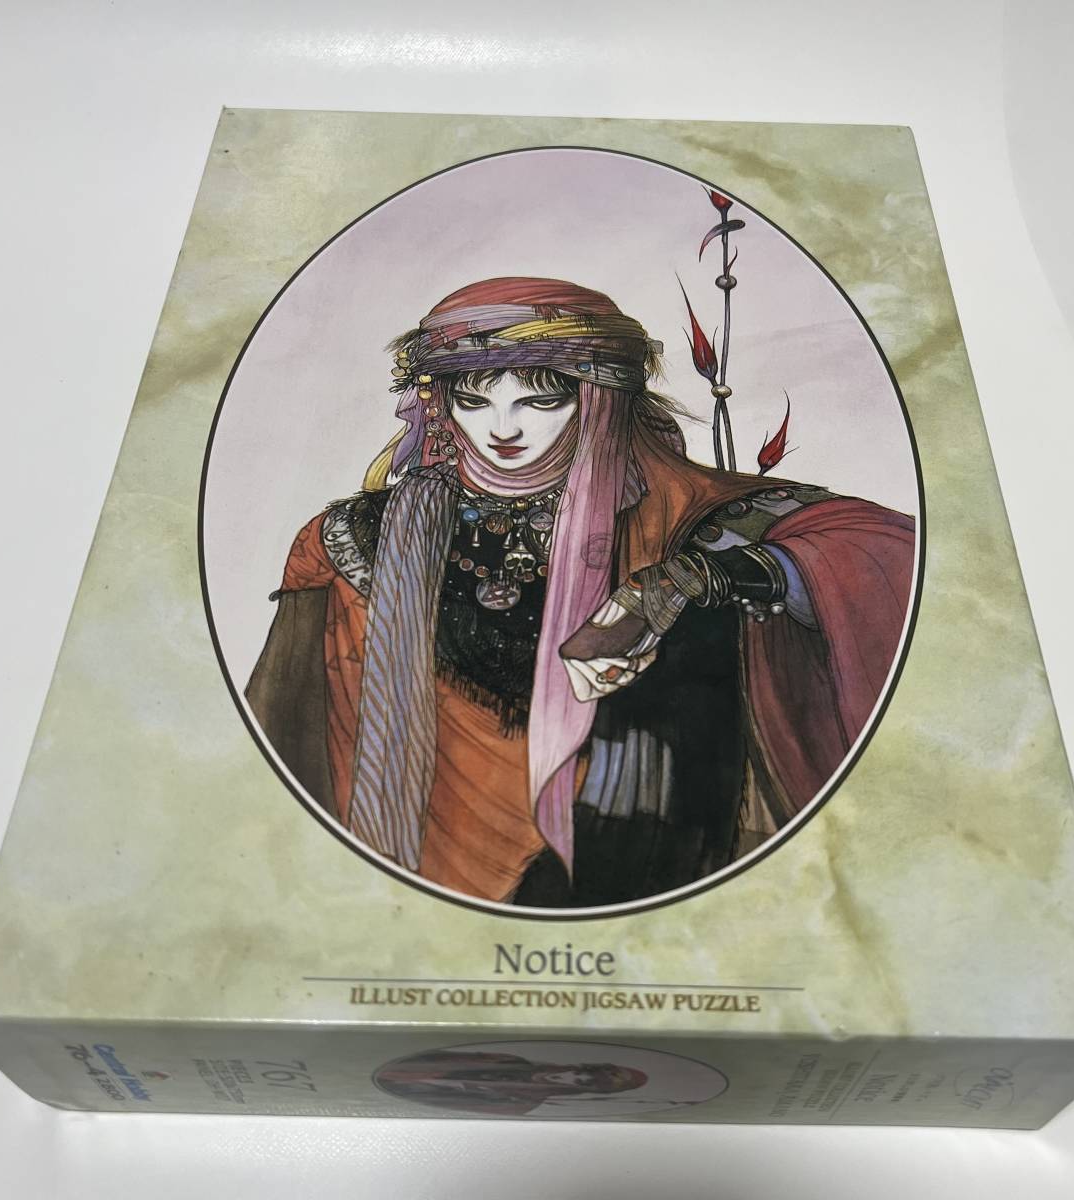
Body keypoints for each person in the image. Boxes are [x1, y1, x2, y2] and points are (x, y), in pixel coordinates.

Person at [246, 277, 915, 907]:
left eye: (541, 400)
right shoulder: (353, 539)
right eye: (474, 401)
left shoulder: (693, 517)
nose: (503, 429)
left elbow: (886, 552)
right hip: (419, 881)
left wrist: (695, 578)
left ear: (600, 399)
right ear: (437, 404)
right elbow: (282, 743)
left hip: (655, 864)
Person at [375, 1049, 647, 1116]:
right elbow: (437, 1057)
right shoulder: (508, 1059)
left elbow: (451, 1105)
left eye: (592, 1082)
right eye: (591, 1071)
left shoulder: (522, 1104)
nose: (578, 1076)